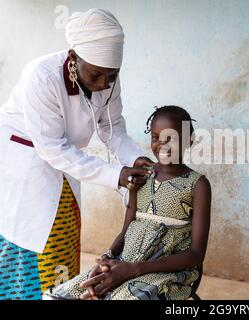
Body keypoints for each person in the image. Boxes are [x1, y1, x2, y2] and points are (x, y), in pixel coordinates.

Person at [0, 8, 153, 300]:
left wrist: (133, 159)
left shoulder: (107, 77)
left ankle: (61, 294)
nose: (103, 84)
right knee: (31, 238)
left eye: (112, 76)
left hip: (64, 160)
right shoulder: (41, 77)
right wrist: (115, 175)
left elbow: (112, 127)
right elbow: (51, 148)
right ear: (74, 57)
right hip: (26, 159)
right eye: (97, 75)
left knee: (64, 232)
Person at [46, 106, 212, 300]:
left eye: (171, 138)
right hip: (125, 262)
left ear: (189, 140)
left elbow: (195, 254)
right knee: (61, 295)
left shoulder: (197, 185)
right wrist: (106, 261)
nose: (161, 145)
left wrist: (134, 270)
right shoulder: (141, 176)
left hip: (169, 273)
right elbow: (126, 230)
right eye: (156, 137)